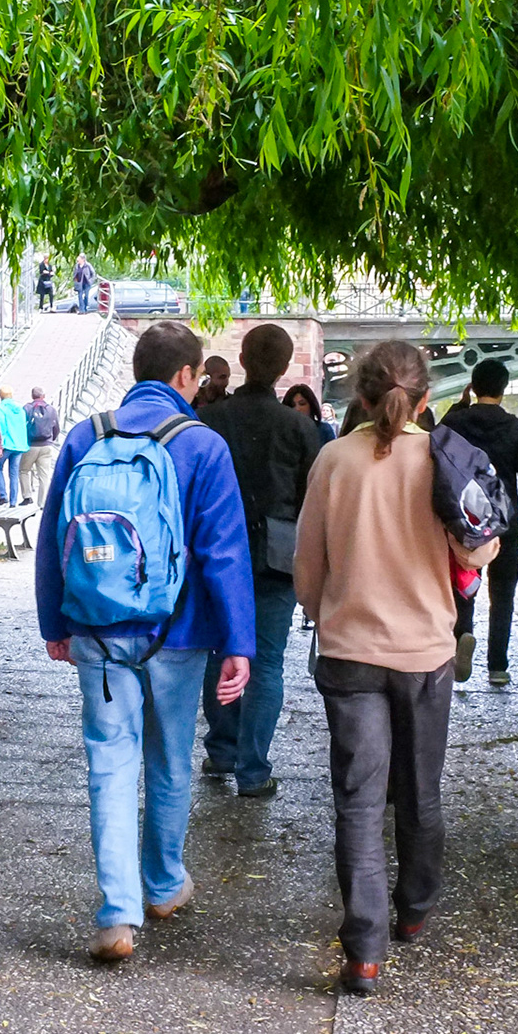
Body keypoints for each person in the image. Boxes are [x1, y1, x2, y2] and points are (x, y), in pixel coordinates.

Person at [36, 320, 254, 963]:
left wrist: (55, 624)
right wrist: (238, 642)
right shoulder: (202, 445)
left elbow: (54, 536)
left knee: (109, 763)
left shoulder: (87, 436)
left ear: (138, 371)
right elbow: (224, 553)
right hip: (178, 634)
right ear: (186, 375)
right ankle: (163, 885)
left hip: (98, 629)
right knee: (170, 759)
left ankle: (116, 916)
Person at [294, 340, 499, 995]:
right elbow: (480, 551)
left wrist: (326, 611)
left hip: (350, 653)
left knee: (357, 802)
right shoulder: (442, 460)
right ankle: (414, 909)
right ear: (426, 397)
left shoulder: (333, 460)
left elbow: (307, 567)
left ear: (359, 395)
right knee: (420, 789)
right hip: (425, 655)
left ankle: (364, 952)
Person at [198, 325, 323, 798]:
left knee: (218, 652)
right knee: (267, 663)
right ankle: (253, 771)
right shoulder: (300, 428)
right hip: (277, 557)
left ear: (243, 360)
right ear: (284, 367)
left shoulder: (211, 419)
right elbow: (310, 501)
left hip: (217, 551)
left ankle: (221, 751)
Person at [439, 358, 518, 687]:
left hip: (463, 520)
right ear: (504, 389)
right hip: (503, 522)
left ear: (472, 387)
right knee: (503, 595)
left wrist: (458, 407)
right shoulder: (517, 429)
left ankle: (462, 635)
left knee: (463, 585)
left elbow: (435, 449)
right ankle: (497, 665)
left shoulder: (456, 423)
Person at [21, 386, 61, 504]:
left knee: (24, 470)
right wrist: (50, 440)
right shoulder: (51, 410)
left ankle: (27, 496)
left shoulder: (27, 408)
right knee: (44, 475)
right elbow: (57, 428)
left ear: (32, 396)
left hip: (31, 446)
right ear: (44, 396)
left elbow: (22, 426)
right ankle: (42, 502)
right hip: (46, 446)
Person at [0, 385, 29, 505]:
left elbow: (1, 427)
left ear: (0, 396)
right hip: (19, 445)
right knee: (14, 473)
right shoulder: (20, 409)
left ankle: (3, 495)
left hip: (6, 444)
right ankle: (13, 501)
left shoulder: (1, 408)